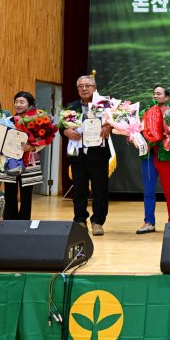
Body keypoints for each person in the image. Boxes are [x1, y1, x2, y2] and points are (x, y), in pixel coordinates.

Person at [60, 75, 113, 236]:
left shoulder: (104, 105)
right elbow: (61, 126)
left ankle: (98, 222)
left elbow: (116, 122)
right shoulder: (71, 106)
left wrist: (109, 127)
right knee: (79, 190)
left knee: (100, 190)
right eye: (81, 86)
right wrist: (66, 131)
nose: (84, 88)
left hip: (98, 154)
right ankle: (80, 220)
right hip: (78, 155)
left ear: (94, 88)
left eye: (88, 85)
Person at [136, 85, 170, 234]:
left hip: (165, 156)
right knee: (148, 190)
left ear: (167, 97)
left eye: (159, 94)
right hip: (148, 156)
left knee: (169, 191)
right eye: (154, 93)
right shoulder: (144, 112)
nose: (155, 96)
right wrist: (135, 138)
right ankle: (149, 222)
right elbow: (136, 131)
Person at [0, 92, 46, 220]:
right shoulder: (7, 121)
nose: (18, 105)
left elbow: (44, 141)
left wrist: (32, 147)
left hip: (30, 161)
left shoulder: (37, 121)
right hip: (9, 161)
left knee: (26, 195)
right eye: (16, 102)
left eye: (22, 102)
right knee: (10, 193)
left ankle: (24, 224)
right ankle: (9, 223)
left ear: (30, 104)